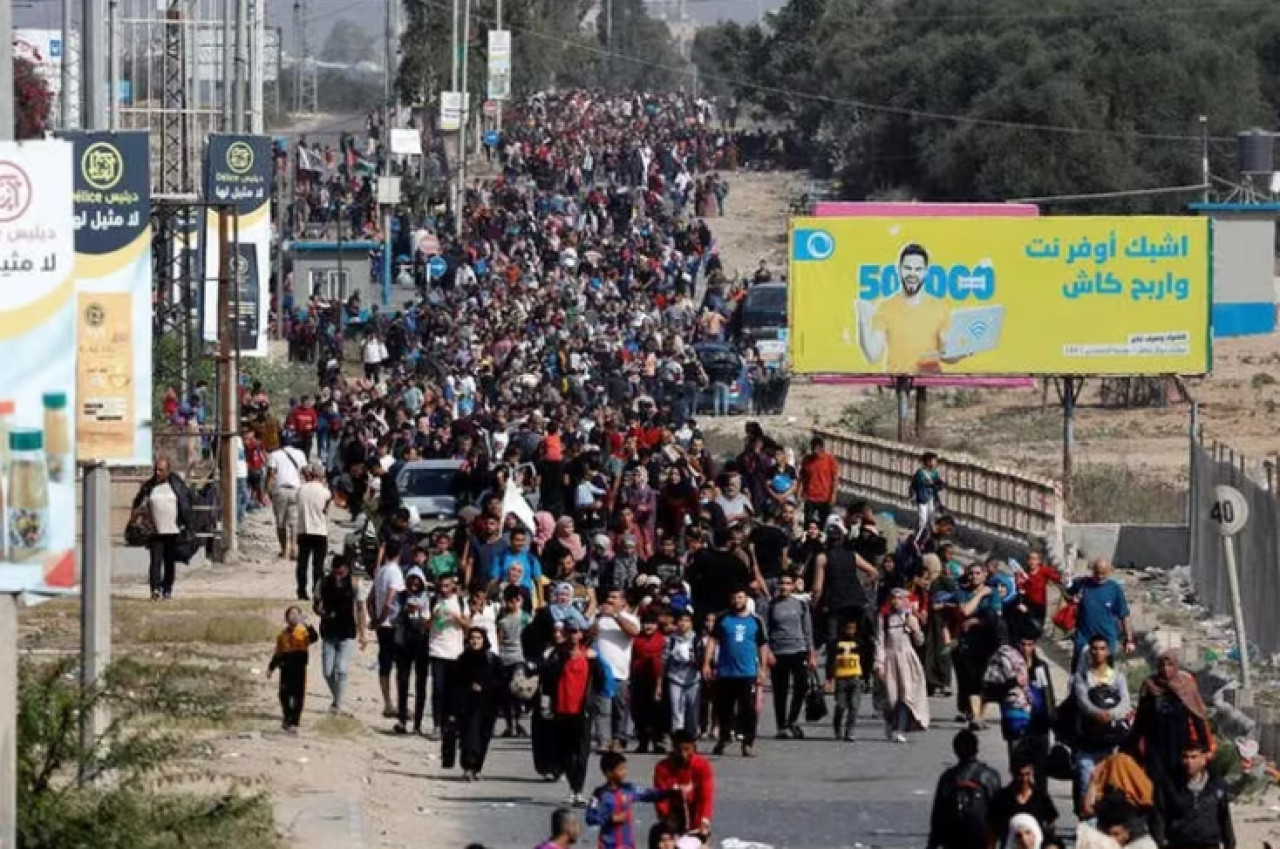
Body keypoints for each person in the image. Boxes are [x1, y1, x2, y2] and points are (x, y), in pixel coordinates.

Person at [857, 243, 958, 374]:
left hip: (930, 385)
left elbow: (948, 354)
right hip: (897, 385)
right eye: (908, 268)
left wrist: (963, 352)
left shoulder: (940, 307)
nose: (912, 274)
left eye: (918, 269)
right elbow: (872, 356)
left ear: (926, 272)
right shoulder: (885, 307)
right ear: (898, 269)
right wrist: (862, 319)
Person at [1131, 649, 1214, 787]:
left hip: (1180, 745)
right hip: (1156, 746)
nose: (1165, 669)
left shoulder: (1186, 686)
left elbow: (1198, 717)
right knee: (1157, 784)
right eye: (1162, 665)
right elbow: (1141, 720)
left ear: (1176, 666)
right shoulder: (1150, 686)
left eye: (1169, 665)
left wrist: (1205, 747)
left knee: (1179, 782)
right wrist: (1133, 746)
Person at [702, 587, 769, 758]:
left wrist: (763, 669)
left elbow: (762, 646)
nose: (737, 600)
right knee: (723, 708)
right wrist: (706, 664)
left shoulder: (756, 620)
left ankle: (747, 742)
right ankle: (724, 738)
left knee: (748, 709)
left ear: (746, 598)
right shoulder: (723, 618)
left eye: (740, 597)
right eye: (734, 597)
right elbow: (712, 640)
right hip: (725, 672)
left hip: (747, 672)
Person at [1071, 634, 1133, 816]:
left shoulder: (1117, 678)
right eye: (1094, 649)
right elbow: (1082, 700)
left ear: (1108, 652)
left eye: (1102, 649)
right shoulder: (1082, 677)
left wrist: (1111, 714)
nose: (1098, 653)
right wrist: (1097, 713)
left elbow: (1125, 703)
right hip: (1087, 744)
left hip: (1110, 745)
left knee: (1109, 790)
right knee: (1085, 785)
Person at [926, 730, 1003, 849]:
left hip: (954, 838)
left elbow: (938, 814)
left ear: (956, 751)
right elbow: (999, 811)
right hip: (982, 837)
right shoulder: (990, 775)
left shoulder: (948, 777)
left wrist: (933, 843)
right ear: (977, 749)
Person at [131, 455, 193, 600]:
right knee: (155, 561)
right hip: (155, 530)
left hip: (172, 530)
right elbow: (138, 502)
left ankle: (167, 589)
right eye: (156, 469)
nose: (157, 472)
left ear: (168, 471)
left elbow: (185, 503)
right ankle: (155, 589)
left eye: (161, 470)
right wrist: (139, 517)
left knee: (169, 562)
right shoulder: (149, 486)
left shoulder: (176, 484)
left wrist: (187, 525)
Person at [1154, 740, 1235, 849]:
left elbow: (1224, 817)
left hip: (1209, 843)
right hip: (1179, 843)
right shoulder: (1169, 786)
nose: (1189, 762)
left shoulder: (1216, 785)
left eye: (1194, 757)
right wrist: (1160, 842)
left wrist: (1229, 844)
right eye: (1185, 757)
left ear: (1203, 759)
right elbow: (1159, 816)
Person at [874, 587, 930, 743]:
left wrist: (913, 627)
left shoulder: (909, 617)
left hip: (907, 659)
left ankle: (900, 728)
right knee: (891, 697)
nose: (896, 601)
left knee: (906, 696)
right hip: (890, 659)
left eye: (900, 598)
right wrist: (879, 663)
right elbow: (880, 642)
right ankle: (890, 722)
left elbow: (920, 641)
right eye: (893, 598)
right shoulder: (884, 618)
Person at [313, 554, 366, 714]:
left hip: (347, 631)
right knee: (327, 672)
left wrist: (363, 634)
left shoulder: (355, 583)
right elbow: (315, 604)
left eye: (341, 573)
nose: (338, 577)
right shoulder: (323, 582)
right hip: (329, 631)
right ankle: (337, 699)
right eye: (335, 573)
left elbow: (360, 609)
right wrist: (320, 611)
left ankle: (338, 704)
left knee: (341, 669)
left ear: (347, 570)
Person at [766, 569, 815, 739]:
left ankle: (792, 720)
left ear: (794, 586)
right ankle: (781, 726)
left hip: (798, 650)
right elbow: (765, 631)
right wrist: (767, 652)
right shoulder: (771, 606)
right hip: (778, 652)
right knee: (780, 690)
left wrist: (811, 653)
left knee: (801, 687)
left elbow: (808, 630)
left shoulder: (801, 605)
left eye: (788, 583)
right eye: (782, 583)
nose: (784, 586)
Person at [450, 627, 504, 781]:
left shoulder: (493, 660)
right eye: (472, 638)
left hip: (488, 706)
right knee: (468, 736)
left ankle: (477, 768)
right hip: (467, 706)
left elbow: (501, 682)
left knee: (483, 737)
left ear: (484, 640)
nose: (475, 641)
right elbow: (455, 683)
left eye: (478, 638)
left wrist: (485, 687)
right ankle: (467, 767)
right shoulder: (462, 659)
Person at [593, 588, 641, 752]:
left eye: (614, 597)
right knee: (602, 709)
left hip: (620, 672)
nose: (610, 599)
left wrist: (614, 616)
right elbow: (588, 634)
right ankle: (603, 741)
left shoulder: (629, 618)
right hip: (601, 672)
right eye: (608, 596)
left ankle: (619, 740)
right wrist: (598, 617)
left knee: (620, 709)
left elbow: (633, 632)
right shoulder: (600, 618)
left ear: (623, 602)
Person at [1066, 558, 1135, 670]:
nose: (1099, 576)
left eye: (1103, 573)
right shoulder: (1083, 584)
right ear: (1093, 571)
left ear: (1109, 572)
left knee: (1105, 678)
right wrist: (1072, 598)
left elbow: (1124, 615)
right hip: (1084, 639)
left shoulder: (1114, 589)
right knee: (1078, 676)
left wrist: (1129, 639)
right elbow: (1067, 593)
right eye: (1097, 573)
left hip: (1106, 641)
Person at [651, 729, 715, 849]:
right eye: (679, 750)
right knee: (663, 844)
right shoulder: (662, 768)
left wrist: (704, 820)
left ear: (693, 748)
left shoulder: (703, 766)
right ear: (673, 747)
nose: (683, 754)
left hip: (695, 821)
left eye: (687, 749)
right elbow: (660, 798)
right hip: (672, 820)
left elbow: (706, 797)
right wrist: (667, 820)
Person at [585, 752, 663, 849]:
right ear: (608, 773)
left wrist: (671, 792)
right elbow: (590, 817)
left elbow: (649, 794)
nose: (625, 772)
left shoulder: (629, 789)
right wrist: (610, 819)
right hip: (608, 845)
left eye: (625, 768)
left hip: (627, 845)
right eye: (621, 769)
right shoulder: (599, 794)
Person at [428, 573, 470, 739]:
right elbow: (425, 624)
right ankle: (437, 725)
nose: (443, 589)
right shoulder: (433, 600)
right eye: (441, 586)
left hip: (455, 652)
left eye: (447, 586)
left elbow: (468, 625)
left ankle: (451, 724)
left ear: (453, 586)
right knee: (438, 689)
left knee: (453, 691)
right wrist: (434, 617)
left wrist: (455, 617)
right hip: (437, 650)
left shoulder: (461, 602)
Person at [393, 566, 433, 735]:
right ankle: (402, 719)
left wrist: (424, 618)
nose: (415, 584)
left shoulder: (429, 598)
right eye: (412, 580)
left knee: (421, 683)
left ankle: (417, 723)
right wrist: (404, 611)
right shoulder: (401, 596)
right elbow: (392, 617)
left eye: (418, 581)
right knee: (403, 681)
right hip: (404, 643)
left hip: (422, 643)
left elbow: (433, 621)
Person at [266, 605, 319, 734]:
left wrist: (308, 625)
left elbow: (314, 638)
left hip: (299, 667)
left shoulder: (303, 632)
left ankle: (295, 721)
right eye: (291, 614)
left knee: (298, 695)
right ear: (286, 618)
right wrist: (271, 668)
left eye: (296, 614)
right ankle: (287, 716)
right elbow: (278, 653)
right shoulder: (282, 635)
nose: (293, 616)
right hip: (285, 667)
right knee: (283, 694)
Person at [989, 758, 1058, 849]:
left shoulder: (1040, 796)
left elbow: (1051, 823)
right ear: (1012, 772)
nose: (1024, 779)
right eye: (1020, 775)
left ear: (1032, 772)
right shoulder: (1002, 797)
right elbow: (992, 832)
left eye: (1027, 774)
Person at [371, 550, 406, 719]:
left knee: (385, 664)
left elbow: (370, 597)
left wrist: (374, 618)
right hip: (392, 624)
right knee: (400, 665)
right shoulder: (395, 572)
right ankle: (399, 704)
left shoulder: (381, 572)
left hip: (381, 624)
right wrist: (383, 617)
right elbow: (390, 598)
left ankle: (387, 703)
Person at [630, 612, 667, 754]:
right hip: (639, 677)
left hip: (657, 678)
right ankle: (642, 741)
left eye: (651, 623)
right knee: (640, 712)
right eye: (646, 623)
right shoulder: (636, 639)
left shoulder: (661, 639)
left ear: (656, 625)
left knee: (657, 712)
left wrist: (660, 683)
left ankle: (659, 742)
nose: (648, 626)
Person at [266, 436, 308, 560]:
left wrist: (268, 491)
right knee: (294, 523)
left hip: (280, 491)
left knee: (280, 523)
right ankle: (294, 549)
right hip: (296, 490)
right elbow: (305, 472)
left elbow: (271, 475)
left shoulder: (274, 455)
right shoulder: (300, 453)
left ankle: (284, 551)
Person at [295, 462, 332, 600]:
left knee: (302, 563)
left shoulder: (301, 489)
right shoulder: (325, 491)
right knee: (318, 564)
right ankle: (317, 591)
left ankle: (301, 591)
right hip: (319, 530)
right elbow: (326, 509)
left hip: (304, 529)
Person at [664, 608, 703, 737]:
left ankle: (692, 736)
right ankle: (677, 737)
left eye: (686, 621)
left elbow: (702, 660)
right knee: (676, 710)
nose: (683, 624)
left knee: (693, 710)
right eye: (680, 621)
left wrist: (694, 661)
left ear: (691, 623)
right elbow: (664, 659)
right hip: (675, 678)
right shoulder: (671, 640)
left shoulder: (697, 639)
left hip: (693, 679)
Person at [830, 616, 867, 742]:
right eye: (848, 628)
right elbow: (830, 662)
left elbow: (865, 661)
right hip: (841, 679)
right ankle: (837, 726)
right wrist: (829, 679)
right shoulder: (836, 643)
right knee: (841, 706)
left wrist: (865, 677)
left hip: (855, 678)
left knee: (854, 706)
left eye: (853, 628)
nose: (851, 631)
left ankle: (850, 731)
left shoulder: (860, 643)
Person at [910, 452, 945, 529]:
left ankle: (929, 536)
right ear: (928, 462)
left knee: (932, 518)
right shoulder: (920, 473)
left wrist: (940, 484)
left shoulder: (934, 472)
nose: (936, 462)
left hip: (931, 498)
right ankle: (918, 536)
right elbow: (919, 483)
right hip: (922, 499)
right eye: (934, 460)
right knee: (923, 519)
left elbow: (937, 481)